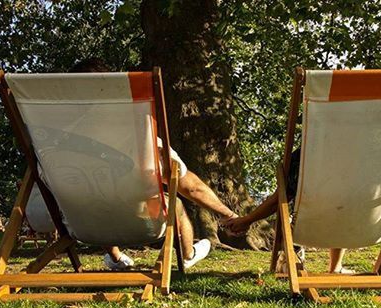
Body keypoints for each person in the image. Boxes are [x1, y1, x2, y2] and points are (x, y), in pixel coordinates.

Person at [68, 58, 237, 270]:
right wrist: (228, 214)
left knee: (95, 197)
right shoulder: (138, 135)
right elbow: (190, 186)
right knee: (175, 202)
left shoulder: (58, 138)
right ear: (111, 90)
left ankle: (116, 257)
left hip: (84, 225)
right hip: (142, 222)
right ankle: (188, 254)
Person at [224, 149, 353, 274]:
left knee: (297, 215)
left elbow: (279, 200)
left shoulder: (305, 155)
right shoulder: (366, 156)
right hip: (360, 229)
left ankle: (291, 259)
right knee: (342, 205)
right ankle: (336, 268)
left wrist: (247, 220)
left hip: (307, 230)